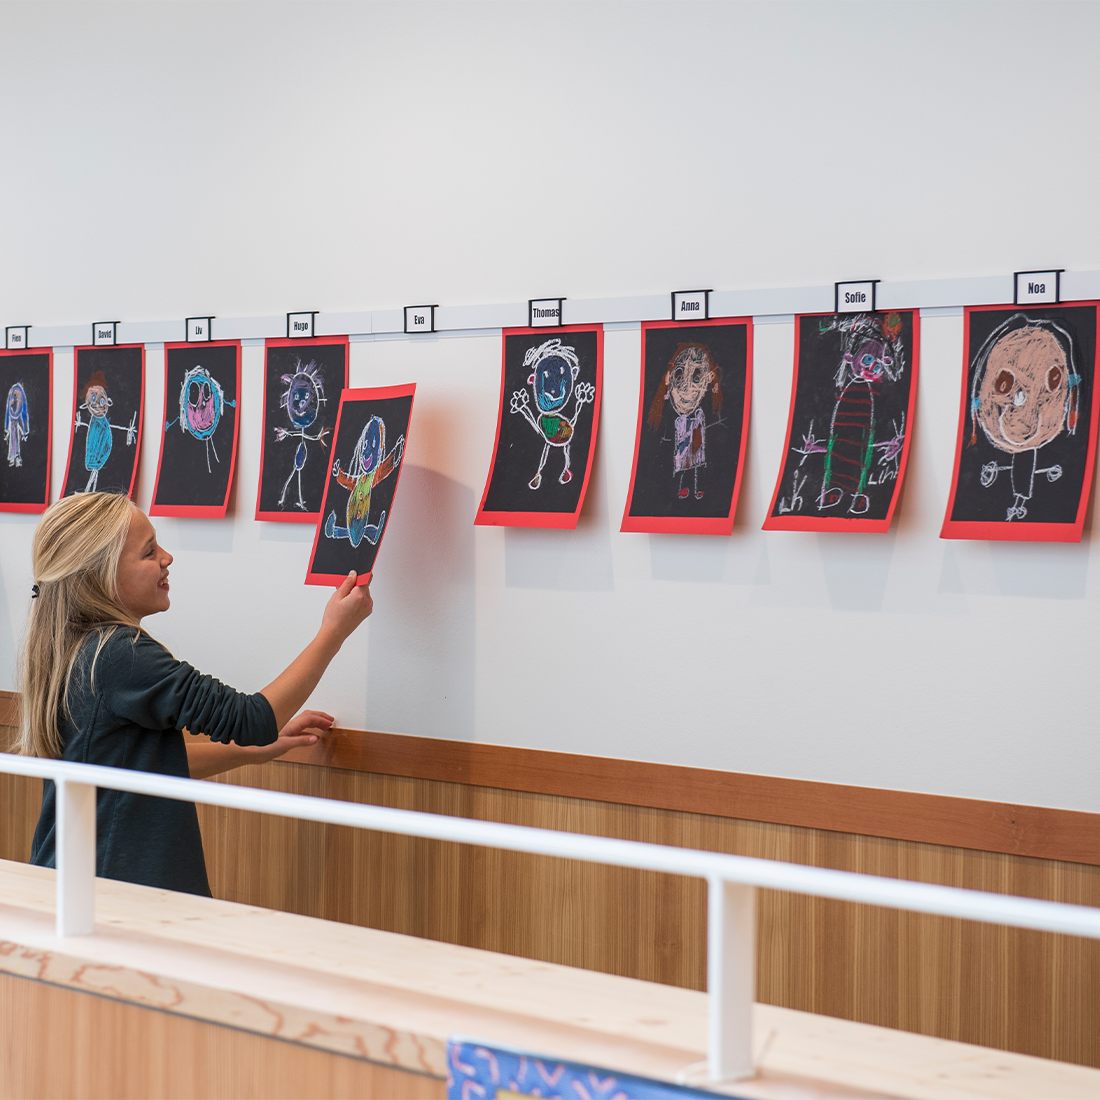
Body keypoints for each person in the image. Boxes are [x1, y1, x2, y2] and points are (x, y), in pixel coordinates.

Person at [17, 491, 373, 897]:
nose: (167, 558)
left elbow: (148, 766)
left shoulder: (73, 646)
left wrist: (254, 751)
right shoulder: (118, 655)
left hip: (74, 881)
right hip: (114, 892)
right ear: (102, 576)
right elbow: (252, 719)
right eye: (149, 552)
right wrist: (334, 631)